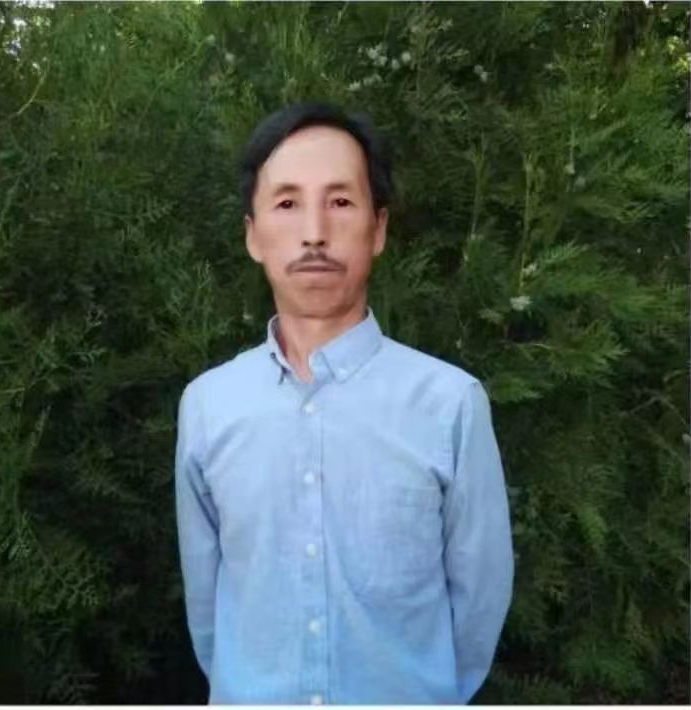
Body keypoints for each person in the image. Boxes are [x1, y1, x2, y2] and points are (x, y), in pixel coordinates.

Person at [175, 101, 513, 705]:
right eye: (286, 203)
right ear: (253, 234)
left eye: (340, 201)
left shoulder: (450, 405)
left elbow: (478, 605)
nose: (314, 232)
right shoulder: (207, 406)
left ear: (378, 228)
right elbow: (208, 611)